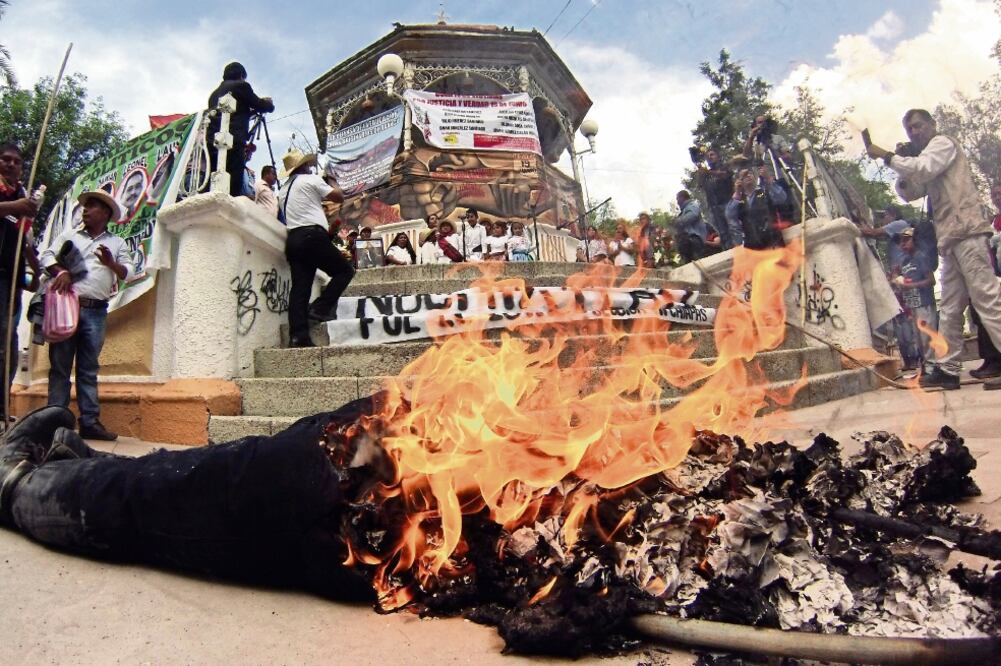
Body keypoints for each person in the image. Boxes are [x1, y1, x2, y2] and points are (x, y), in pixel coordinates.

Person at [0, 403, 380, 601]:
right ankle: (96, 468)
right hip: (400, 457)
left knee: (278, 476)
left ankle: (16, 490)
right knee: (315, 442)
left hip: (382, 515)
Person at [866, 109, 1001, 391]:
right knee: (951, 309)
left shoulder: (943, 144)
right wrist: (902, 164)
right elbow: (910, 191)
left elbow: (924, 168)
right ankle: (948, 369)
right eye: (910, 130)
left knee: (987, 300)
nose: (914, 132)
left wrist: (890, 157)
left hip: (968, 233)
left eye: (918, 126)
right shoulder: (924, 157)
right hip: (951, 239)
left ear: (931, 125)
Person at [41, 190, 134, 441]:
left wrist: (110, 263)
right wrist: (60, 271)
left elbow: (129, 273)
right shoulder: (69, 236)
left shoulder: (117, 243)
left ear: (105, 213)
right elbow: (46, 256)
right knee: (60, 367)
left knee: (88, 369)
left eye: (92, 206)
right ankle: (55, 422)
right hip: (66, 307)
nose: (85, 210)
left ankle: (90, 423)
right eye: (85, 206)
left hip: (97, 311)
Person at [277, 150, 351, 348]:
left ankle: (298, 336)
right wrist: (332, 181)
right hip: (311, 236)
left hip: (293, 238)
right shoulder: (310, 179)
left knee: (300, 288)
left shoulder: (283, 190)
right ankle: (320, 308)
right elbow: (338, 197)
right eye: (308, 164)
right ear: (303, 166)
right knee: (344, 271)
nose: (310, 167)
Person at [0, 143, 39, 420]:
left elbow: (26, 245)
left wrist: (36, 273)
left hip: (9, 282)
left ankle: (1, 407)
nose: (12, 164)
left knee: (8, 343)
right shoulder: (16, 201)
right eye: (5, 159)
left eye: (17, 162)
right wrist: (17, 206)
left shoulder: (23, 197)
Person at [207, 62, 274, 198]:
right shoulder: (241, 86)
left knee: (215, 176)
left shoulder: (213, 95)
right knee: (233, 182)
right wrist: (269, 104)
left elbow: (233, 111)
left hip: (213, 141)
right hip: (233, 140)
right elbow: (259, 104)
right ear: (241, 75)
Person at [892, 228, 937, 372]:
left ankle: (932, 366)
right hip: (913, 304)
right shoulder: (904, 262)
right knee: (918, 339)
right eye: (901, 241)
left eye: (906, 240)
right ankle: (925, 366)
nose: (903, 244)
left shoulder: (921, 257)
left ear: (915, 240)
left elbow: (931, 280)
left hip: (924, 302)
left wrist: (911, 285)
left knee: (927, 336)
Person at [725, 165, 789, 250]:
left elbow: (782, 198)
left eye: (749, 173)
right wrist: (737, 192)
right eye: (744, 175)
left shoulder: (765, 191)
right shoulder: (738, 201)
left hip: (773, 243)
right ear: (739, 181)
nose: (748, 176)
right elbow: (729, 215)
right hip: (754, 249)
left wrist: (768, 178)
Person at [695, 149, 736, 249]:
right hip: (714, 207)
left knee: (734, 229)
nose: (710, 157)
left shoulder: (724, 167)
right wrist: (700, 171)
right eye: (708, 156)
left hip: (728, 203)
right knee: (723, 233)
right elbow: (700, 185)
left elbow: (724, 174)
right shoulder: (706, 173)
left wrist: (709, 172)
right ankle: (729, 251)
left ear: (717, 156)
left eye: (712, 154)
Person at [861, 206, 912, 273]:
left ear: (893, 215)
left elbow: (873, 232)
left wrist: (853, 226)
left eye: (885, 215)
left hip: (905, 269)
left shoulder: (899, 224)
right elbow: (874, 235)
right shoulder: (894, 230)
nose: (884, 219)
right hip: (899, 269)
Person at [674, 190, 709, 264]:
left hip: (694, 239)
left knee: (698, 263)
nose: (677, 202)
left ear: (683, 197)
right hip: (687, 242)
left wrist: (678, 221)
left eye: (677, 199)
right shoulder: (684, 210)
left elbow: (692, 216)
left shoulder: (692, 205)